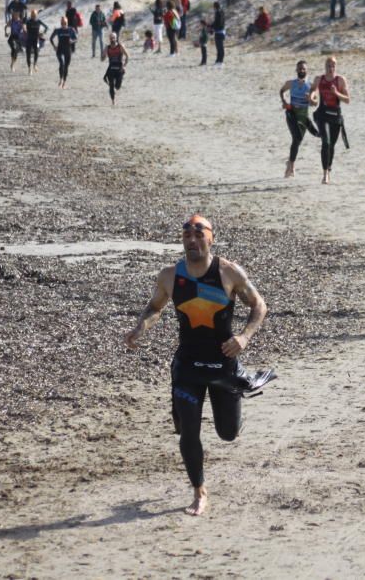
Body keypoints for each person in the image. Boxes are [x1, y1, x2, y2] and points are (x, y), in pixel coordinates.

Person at [125, 214, 269, 516]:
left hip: (223, 366)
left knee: (227, 433)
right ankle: (199, 492)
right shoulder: (169, 276)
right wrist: (141, 327)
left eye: (199, 234)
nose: (192, 240)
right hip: (188, 365)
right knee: (188, 431)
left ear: (211, 238)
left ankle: (233, 416)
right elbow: (155, 307)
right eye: (187, 236)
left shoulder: (229, 273)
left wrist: (243, 337)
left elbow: (259, 305)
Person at [310, 56, 350, 184]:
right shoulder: (319, 79)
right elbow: (313, 92)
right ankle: (325, 174)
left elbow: (348, 100)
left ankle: (329, 168)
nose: (330, 68)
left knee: (331, 145)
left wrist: (336, 93)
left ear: (335, 67)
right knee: (325, 143)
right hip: (322, 114)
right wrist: (312, 98)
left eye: (333, 66)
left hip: (335, 116)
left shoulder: (340, 80)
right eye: (328, 65)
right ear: (325, 66)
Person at [279, 60, 318, 177]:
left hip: (303, 116)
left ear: (307, 71)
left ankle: (290, 164)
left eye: (303, 69)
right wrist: (284, 101)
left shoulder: (311, 86)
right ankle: (291, 167)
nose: (301, 71)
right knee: (297, 137)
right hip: (291, 114)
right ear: (296, 70)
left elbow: (315, 103)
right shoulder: (291, 83)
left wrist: (310, 100)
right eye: (299, 69)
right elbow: (281, 91)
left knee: (297, 141)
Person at [50, 16, 77, 88]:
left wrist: (72, 41)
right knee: (61, 64)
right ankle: (60, 79)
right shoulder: (58, 30)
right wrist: (54, 46)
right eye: (62, 23)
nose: (63, 25)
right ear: (60, 23)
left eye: (65, 23)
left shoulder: (71, 29)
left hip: (68, 50)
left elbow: (76, 38)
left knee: (66, 66)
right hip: (60, 49)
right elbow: (51, 38)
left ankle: (64, 82)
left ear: (67, 23)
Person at [103, 32, 128, 106]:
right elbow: (102, 58)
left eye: (113, 38)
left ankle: (115, 88)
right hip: (111, 68)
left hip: (119, 68)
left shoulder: (120, 46)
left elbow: (127, 56)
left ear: (116, 38)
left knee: (117, 86)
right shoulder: (107, 47)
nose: (112, 39)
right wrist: (103, 56)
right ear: (109, 39)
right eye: (111, 38)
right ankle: (113, 101)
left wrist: (124, 65)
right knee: (111, 85)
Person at [24, 9, 48, 74]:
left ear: (36, 15)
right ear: (31, 15)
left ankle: (35, 64)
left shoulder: (38, 21)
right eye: (32, 15)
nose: (33, 16)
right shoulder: (28, 21)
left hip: (36, 40)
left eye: (34, 15)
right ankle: (29, 68)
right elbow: (23, 24)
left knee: (36, 52)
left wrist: (42, 33)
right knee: (28, 54)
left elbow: (46, 27)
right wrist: (24, 30)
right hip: (29, 39)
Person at [211, 2, 226, 66]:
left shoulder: (218, 13)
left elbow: (218, 22)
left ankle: (220, 61)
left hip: (219, 31)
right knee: (219, 47)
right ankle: (218, 60)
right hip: (221, 31)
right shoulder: (221, 12)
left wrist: (213, 27)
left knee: (220, 47)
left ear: (215, 6)